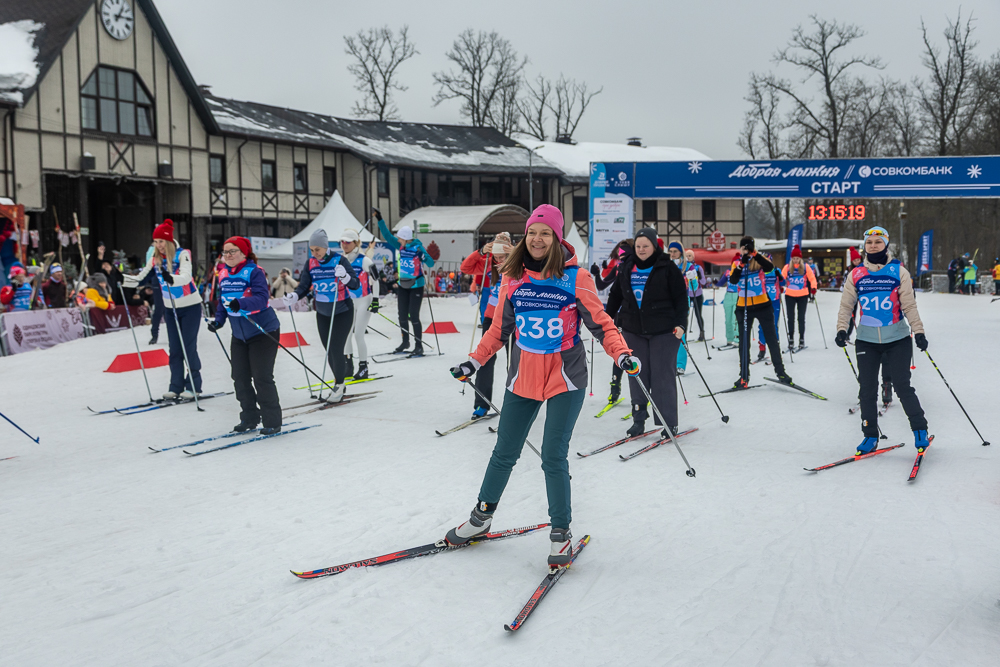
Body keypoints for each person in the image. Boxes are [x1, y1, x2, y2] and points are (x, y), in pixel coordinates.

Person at [445, 204, 632, 567]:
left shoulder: (576, 277)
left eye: (545, 233)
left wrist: (621, 354)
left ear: (557, 238)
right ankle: (481, 518)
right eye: (532, 232)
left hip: (565, 377)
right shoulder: (512, 278)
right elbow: (498, 331)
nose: (537, 238)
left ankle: (560, 534)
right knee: (504, 451)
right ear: (525, 236)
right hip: (523, 377)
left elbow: (602, 325)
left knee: (552, 454)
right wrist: (474, 361)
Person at [836, 226, 930, 455]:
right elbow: (847, 306)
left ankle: (920, 430)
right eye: (869, 242)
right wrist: (842, 330)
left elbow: (909, 305)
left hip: (897, 338)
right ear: (864, 246)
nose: (873, 246)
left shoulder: (898, 271)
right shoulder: (856, 274)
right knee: (867, 390)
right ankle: (869, 435)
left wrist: (918, 332)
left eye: (878, 242)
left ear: (886, 245)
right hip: (866, 340)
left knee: (902, 386)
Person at [606, 228, 688, 437]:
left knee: (662, 375)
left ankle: (668, 422)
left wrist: (681, 324)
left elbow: (680, 298)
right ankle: (639, 419)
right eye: (638, 246)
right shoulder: (626, 267)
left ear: (654, 246)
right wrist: (606, 320)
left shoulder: (667, 267)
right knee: (637, 374)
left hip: (664, 330)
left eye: (646, 246)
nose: (642, 250)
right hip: (634, 330)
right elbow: (615, 296)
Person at [207, 237, 283, 435]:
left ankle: (272, 420)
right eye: (225, 252)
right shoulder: (222, 273)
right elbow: (224, 303)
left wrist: (241, 303)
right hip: (239, 335)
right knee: (239, 377)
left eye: (233, 251)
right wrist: (218, 321)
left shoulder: (255, 272)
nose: (228, 255)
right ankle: (249, 417)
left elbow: (261, 298)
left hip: (262, 331)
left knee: (262, 377)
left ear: (243, 253)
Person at [123, 219, 203, 400]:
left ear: (168, 241)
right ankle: (175, 386)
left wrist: (171, 278)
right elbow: (141, 278)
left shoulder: (183, 254)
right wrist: (123, 280)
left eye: (161, 242)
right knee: (174, 349)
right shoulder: (156, 259)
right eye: (155, 242)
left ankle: (193, 386)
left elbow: (186, 276)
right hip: (171, 309)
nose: (158, 246)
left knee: (188, 347)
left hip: (190, 306)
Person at [284, 228, 359, 403]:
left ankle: (339, 385)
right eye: (312, 250)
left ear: (325, 247)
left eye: (317, 249)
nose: (314, 253)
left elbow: (355, 284)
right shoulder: (310, 264)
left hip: (342, 311)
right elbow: (303, 286)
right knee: (329, 351)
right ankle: (338, 382)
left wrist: (345, 277)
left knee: (335, 349)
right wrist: (294, 296)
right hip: (323, 313)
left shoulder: (339, 260)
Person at [459, 231, 513, 419]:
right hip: (492, 317)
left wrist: (516, 253)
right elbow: (465, 268)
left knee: (514, 362)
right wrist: (481, 251)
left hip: (514, 318)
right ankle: (482, 405)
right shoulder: (487, 264)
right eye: (495, 253)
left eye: (502, 254)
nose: (498, 258)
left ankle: (516, 406)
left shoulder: (517, 264)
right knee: (485, 359)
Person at [730, 236, 791, 388]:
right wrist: (741, 264)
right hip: (743, 308)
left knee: (771, 339)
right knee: (744, 343)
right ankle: (744, 376)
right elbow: (733, 280)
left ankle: (781, 372)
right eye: (743, 248)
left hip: (763, 305)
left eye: (748, 248)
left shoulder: (759, 260)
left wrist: (754, 254)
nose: (746, 251)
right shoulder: (737, 263)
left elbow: (770, 267)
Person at [376, 208, 434, 356]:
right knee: (402, 315)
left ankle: (418, 345)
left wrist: (423, 257)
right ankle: (405, 341)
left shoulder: (417, 247)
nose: (398, 240)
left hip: (416, 286)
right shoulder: (401, 246)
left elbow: (431, 263)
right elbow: (388, 237)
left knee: (413, 315)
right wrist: (379, 218)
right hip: (403, 285)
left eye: (400, 238)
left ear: (406, 238)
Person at [590, 239, 634, 405]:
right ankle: (615, 388)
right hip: (621, 316)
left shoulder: (641, 268)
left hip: (639, 317)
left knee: (638, 352)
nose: (621, 256)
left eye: (624, 252)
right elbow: (601, 285)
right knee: (621, 351)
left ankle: (643, 391)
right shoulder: (619, 267)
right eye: (619, 253)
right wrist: (596, 274)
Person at [340, 229, 381, 380]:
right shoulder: (342, 260)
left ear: (355, 243)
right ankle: (348, 366)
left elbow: (376, 279)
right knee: (345, 334)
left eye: (348, 242)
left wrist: (375, 300)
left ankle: (363, 367)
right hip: (349, 301)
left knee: (358, 335)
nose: (344, 245)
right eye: (342, 242)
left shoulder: (364, 260)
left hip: (364, 299)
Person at [782, 245, 817, 351]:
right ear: (791, 259)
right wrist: (779, 286)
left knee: (801, 318)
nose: (796, 260)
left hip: (803, 295)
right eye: (794, 258)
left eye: (797, 258)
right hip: (790, 295)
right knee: (790, 318)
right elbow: (781, 278)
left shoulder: (806, 267)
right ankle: (791, 339)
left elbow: (812, 278)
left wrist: (814, 288)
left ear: (800, 258)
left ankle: (801, 338)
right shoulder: (787, 267)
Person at [666, 242, 690, 375]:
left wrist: (692, 280)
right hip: (667, 301)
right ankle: (669, 361)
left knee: (680, 331)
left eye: (675, 251)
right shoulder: (666, 265)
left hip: (681, 301)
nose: (672, 254)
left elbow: (695, 285)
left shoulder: (687, 266)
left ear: (681, 252)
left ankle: (680, 364)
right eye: (670, 251)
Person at [756, 255, 784, 362]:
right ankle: (762, 349)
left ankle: (776, 351)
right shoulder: (760, 271)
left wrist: (780, 277)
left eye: (768, 260)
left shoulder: (776, 270)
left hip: (775, 301)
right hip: (762, 302)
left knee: (774, 326)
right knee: (762, 326)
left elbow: (784, 283)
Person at [682, 249, 708, 341]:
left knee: (698, 314)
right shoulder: (683, 267)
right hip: (687, 295)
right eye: (687, 255)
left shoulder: (698, 267)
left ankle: (702, 333)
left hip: (697, 294)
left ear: (693, 257)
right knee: (685, 315)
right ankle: (684, 336)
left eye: (690, 256)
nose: (688, 257)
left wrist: (700, 277)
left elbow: (703, 282)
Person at [717, 254, 741, 349]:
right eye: (734, 263)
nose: (736, 264)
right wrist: (715, 282)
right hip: (728, 295)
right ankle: (729, 338)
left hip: (738, 295)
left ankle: (737, 338)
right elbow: (721, 283)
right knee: (728, 319)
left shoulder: (741, 272)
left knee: (735, 319)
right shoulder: (728, 272)